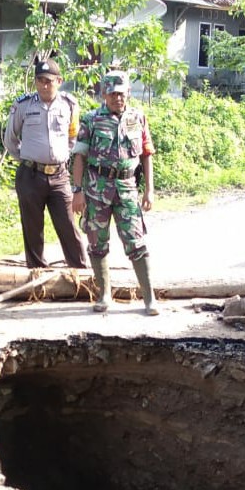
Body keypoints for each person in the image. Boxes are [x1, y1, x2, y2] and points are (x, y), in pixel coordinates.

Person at [70, 70, 158, 315]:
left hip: (128, 189)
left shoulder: (138, 117)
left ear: (128, 93)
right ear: (104, 94)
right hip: (97, 191)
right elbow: (80, 157)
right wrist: (77, 191)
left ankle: (149, 298)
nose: (117, 98)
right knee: (97, 243)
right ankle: (104, 294)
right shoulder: (91, 119)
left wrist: (149, 190)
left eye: (121, 93)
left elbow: (146, 155)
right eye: (112, 94)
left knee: (136, 241)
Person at [3, 59, 87, 269]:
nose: (44, 85)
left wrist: (61, 156)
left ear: (59, 81)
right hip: (30, 175)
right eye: (40, 80)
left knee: (67, 224)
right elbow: (9, 139)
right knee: (32, 228)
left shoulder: (69, 104)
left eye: (49, 81)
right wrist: (27, 157)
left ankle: (80, 271)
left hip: (59, 176)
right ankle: (37, 274)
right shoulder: (23, 105)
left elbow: (73, 139)